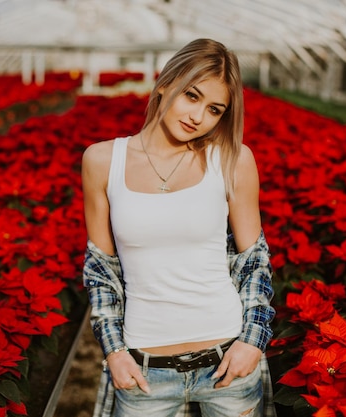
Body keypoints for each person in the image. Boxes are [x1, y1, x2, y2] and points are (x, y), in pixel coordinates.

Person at [81, 38, 276, 417]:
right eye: (192, 95)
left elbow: (255, 261)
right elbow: (100, 269)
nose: (198, 116)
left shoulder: (232, 160)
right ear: (164, 83)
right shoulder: (103, 160)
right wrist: (115, 353)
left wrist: (252, 343)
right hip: (144, 371)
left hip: (227, 365)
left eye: (214, 109)